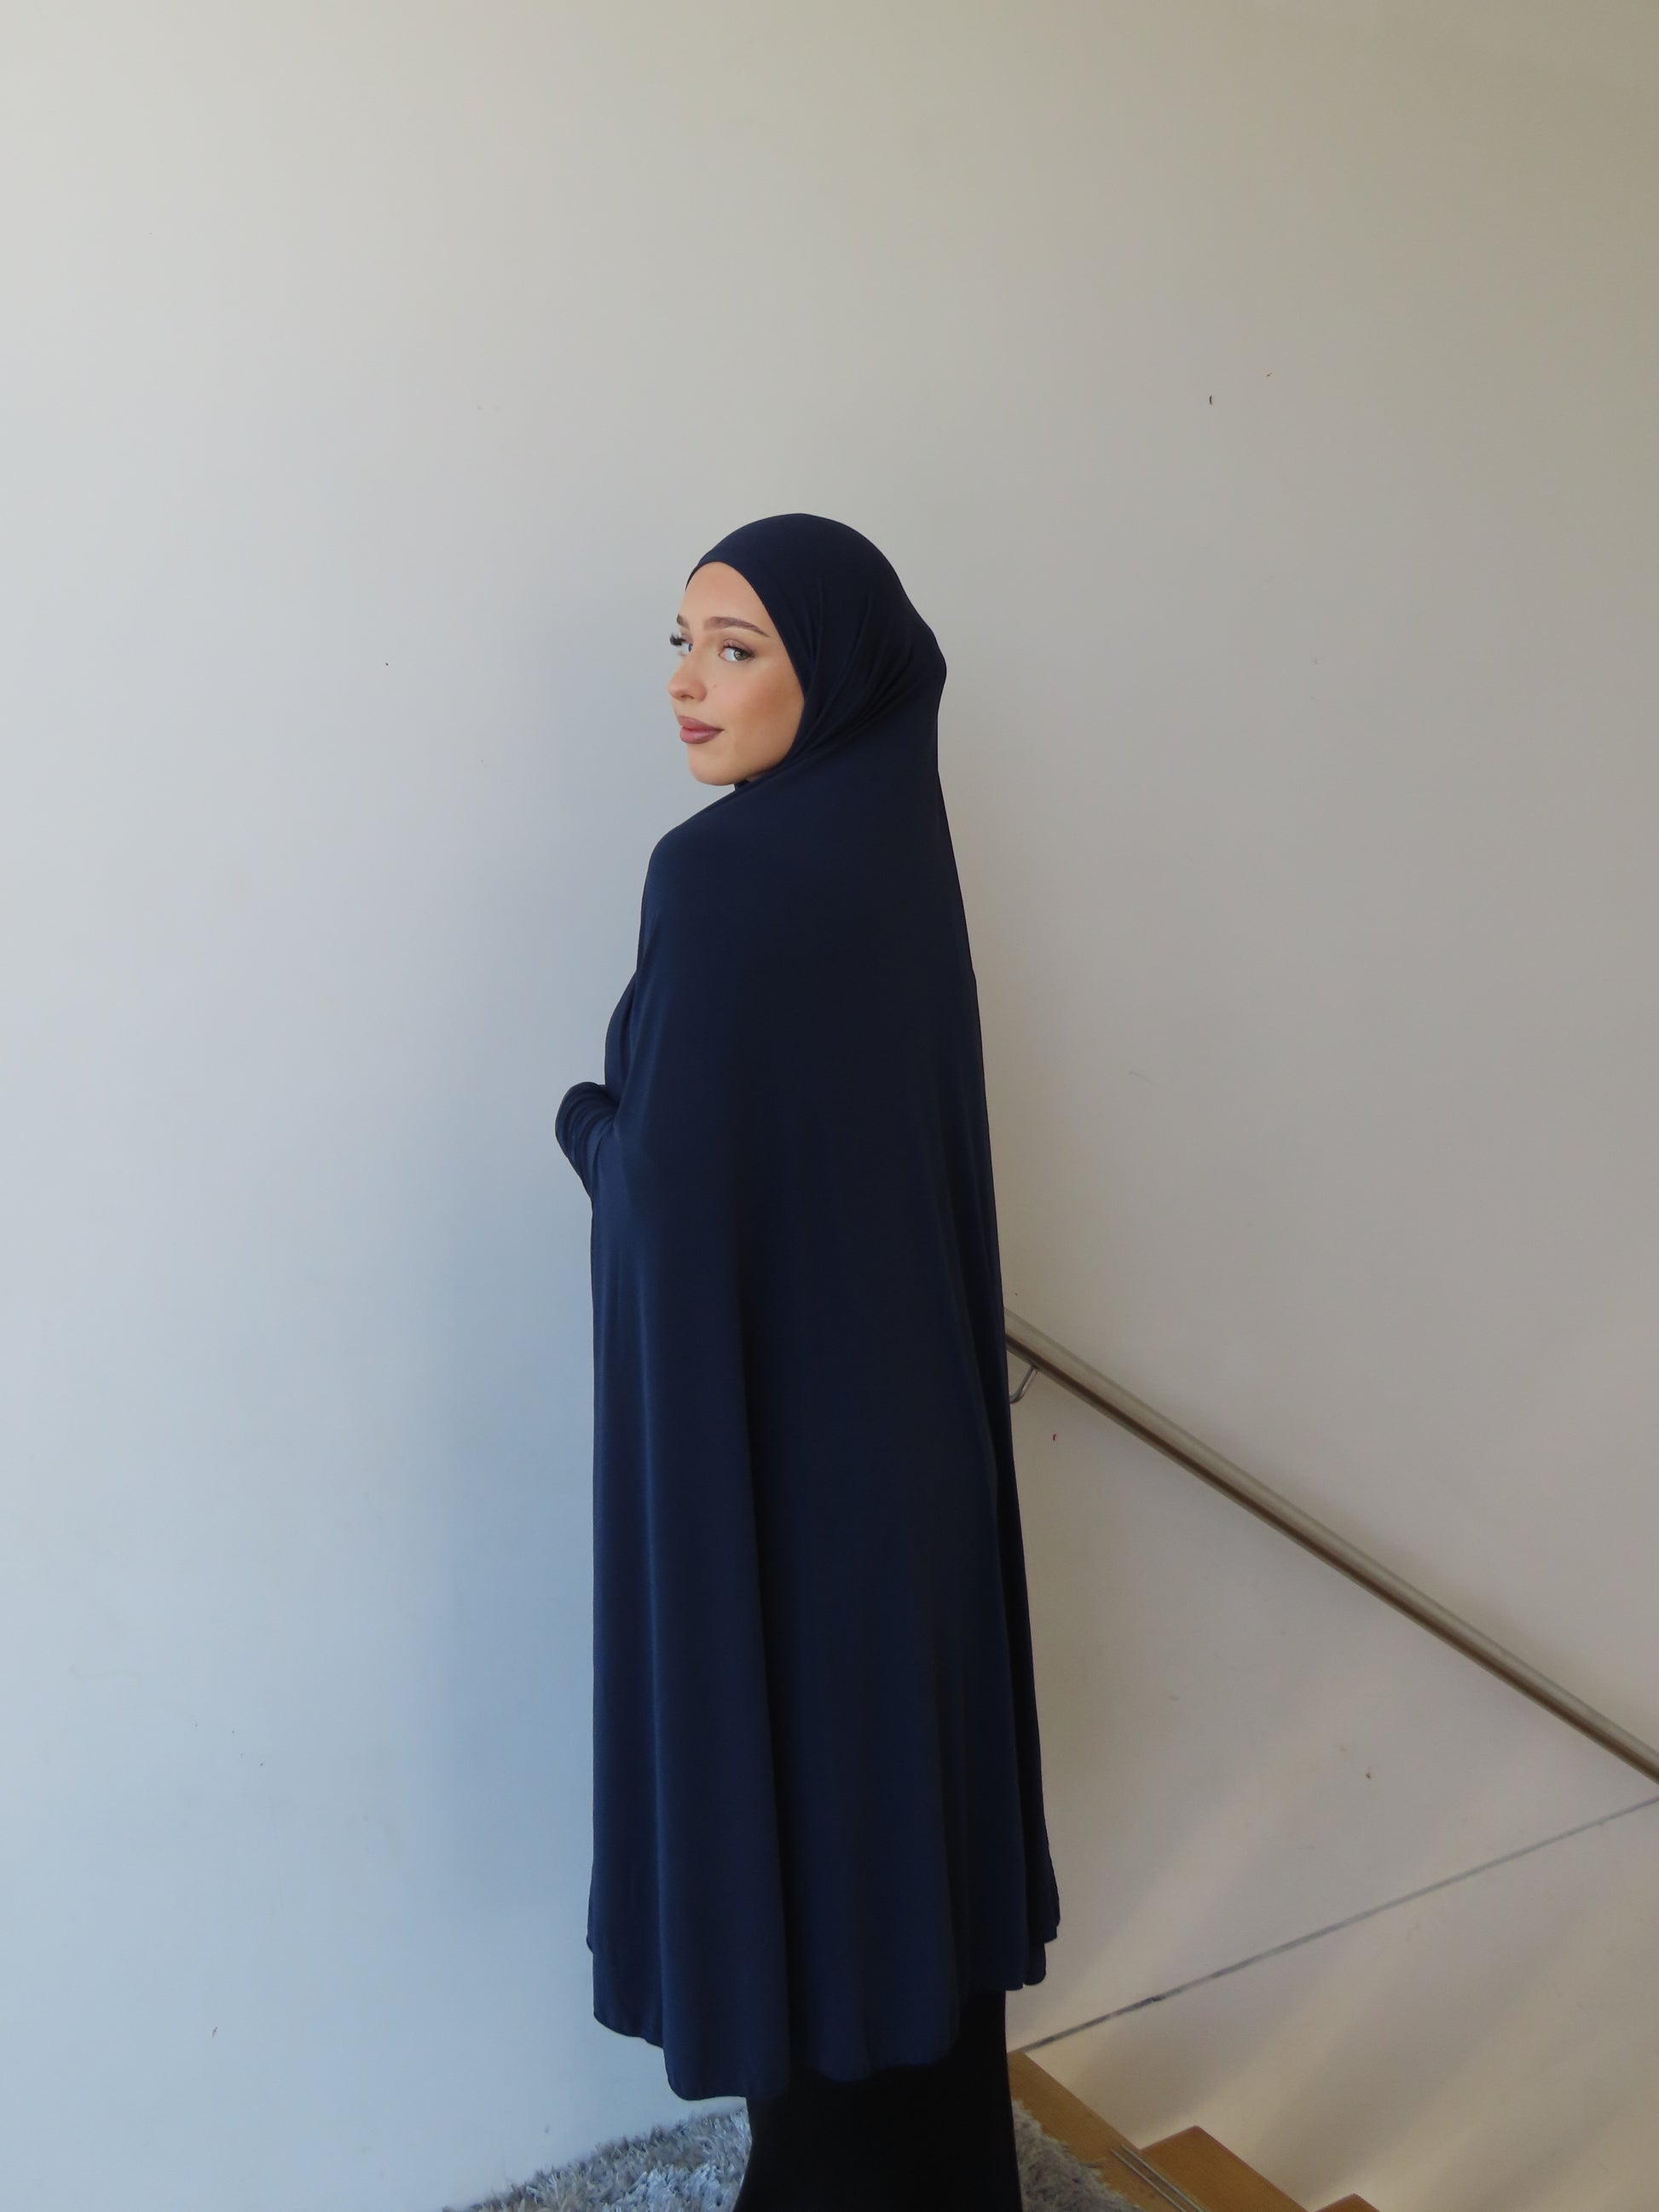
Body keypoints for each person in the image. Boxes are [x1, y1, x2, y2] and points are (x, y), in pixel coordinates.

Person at [556, 514, 1060, 2209]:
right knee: (901, 1882)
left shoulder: (715, 876)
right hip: (913, 1476)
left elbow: (671, 1193)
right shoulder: (899, 854)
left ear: (827, 669)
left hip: (785, 1482)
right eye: (682, 643)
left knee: (807, 1870)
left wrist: (585, 1124)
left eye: (737, 646)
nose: (688, 683)